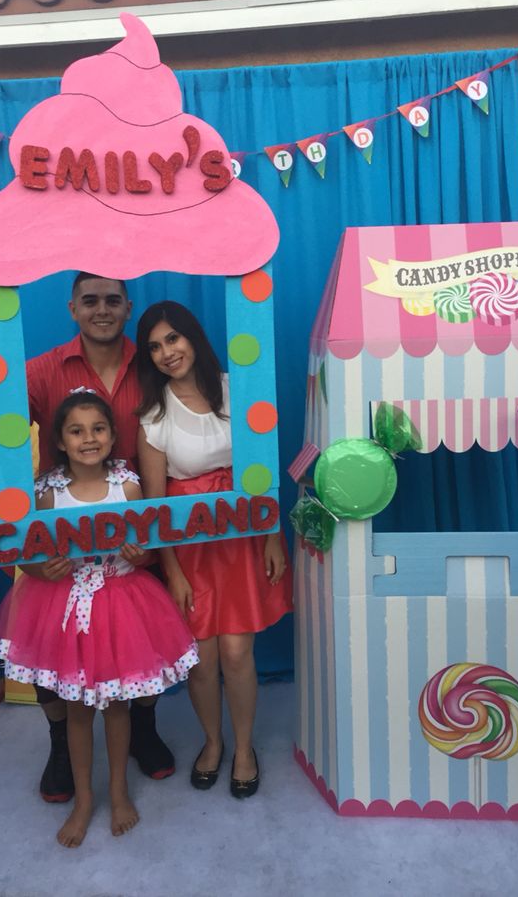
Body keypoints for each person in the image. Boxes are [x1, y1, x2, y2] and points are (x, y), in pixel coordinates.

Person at [0, 273, 174, 804]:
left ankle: (142, 729)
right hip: (60, 542)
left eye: (113, 300)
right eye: (91, 300)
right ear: (72, 307)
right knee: (52, 652)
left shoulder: (152, 365)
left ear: (128, 308)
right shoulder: (44, 368)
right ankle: (60, 742)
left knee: (140, 641)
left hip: (135, 527)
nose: (102, 309)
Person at [0, 391, 198, 847]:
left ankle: (118, 791)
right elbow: (30, 554)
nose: (88, 439)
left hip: (122, 605)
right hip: (62, 610)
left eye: (98, 429)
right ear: (59, 440)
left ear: (113, 435)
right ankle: (84, 799)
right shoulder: (47, 493)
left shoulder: (129, 485)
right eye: (76, 431)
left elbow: (144, 549)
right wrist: (44, 568)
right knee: (77, 713)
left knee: (117, 706)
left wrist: (140, 558)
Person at [136, 301, 293, 799]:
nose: (166, 352)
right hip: (190, 549)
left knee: (236, 650)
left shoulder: (237, 389)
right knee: (202, 659)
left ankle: (244, 748)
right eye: (155, 346)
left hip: (244, 537)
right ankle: (212, 741)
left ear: (192, 338)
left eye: (173, 339)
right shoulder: (154, 415)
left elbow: (263, 469)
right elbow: (157, 508)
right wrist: (174, 573)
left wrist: (271, 536)